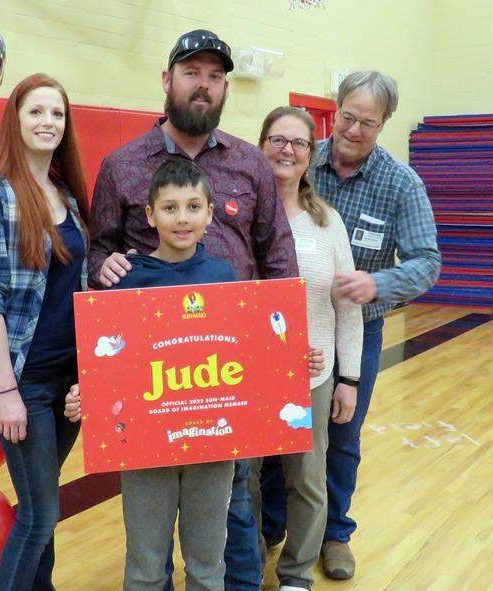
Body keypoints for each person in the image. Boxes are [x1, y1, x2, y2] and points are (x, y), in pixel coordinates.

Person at [88, 28, 308, 591]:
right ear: (168, 81)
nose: (204, 85)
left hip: (227, 376)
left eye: (215, 76)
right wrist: (102, 267)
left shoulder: (250, 164)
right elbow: (99, 251)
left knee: (234, 507)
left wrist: (287, 347)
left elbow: (277, 256)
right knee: (151, 530)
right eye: (192, 73)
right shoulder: (122, 165)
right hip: (155, 383)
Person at [258, 71, 442, 581]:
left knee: (339, 435)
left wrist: (378, 283)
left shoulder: (401, 183)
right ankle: (274, 526)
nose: (354, 130)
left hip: (356, 326)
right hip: (281, 331)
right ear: (334, 112)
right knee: (275, 440)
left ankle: (334, 534)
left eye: (368, 122)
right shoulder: (300, 155)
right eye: (348, 117)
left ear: (384, 125)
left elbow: (428, 261)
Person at [0, 73, 89, 591]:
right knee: (38, 517)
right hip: (25, 385)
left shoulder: (65, 193)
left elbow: (75, 288)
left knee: (44, 504)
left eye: (57, 114)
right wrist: (8, 391)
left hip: (68, 383)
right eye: (36, 112)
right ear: (15, 121)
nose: (48, 122)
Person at [248, 107, 363, 591]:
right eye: (277, 139)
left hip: (311, 375)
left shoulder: (327, 223)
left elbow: (346, 306)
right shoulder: (235, 217)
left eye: (298, 143)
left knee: (308, 482)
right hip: (245, 375)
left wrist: (349, 379)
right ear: (261, 146)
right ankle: (246, 564)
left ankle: (295, 574)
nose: (287, 150)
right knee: (244, 482)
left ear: (310, 154)